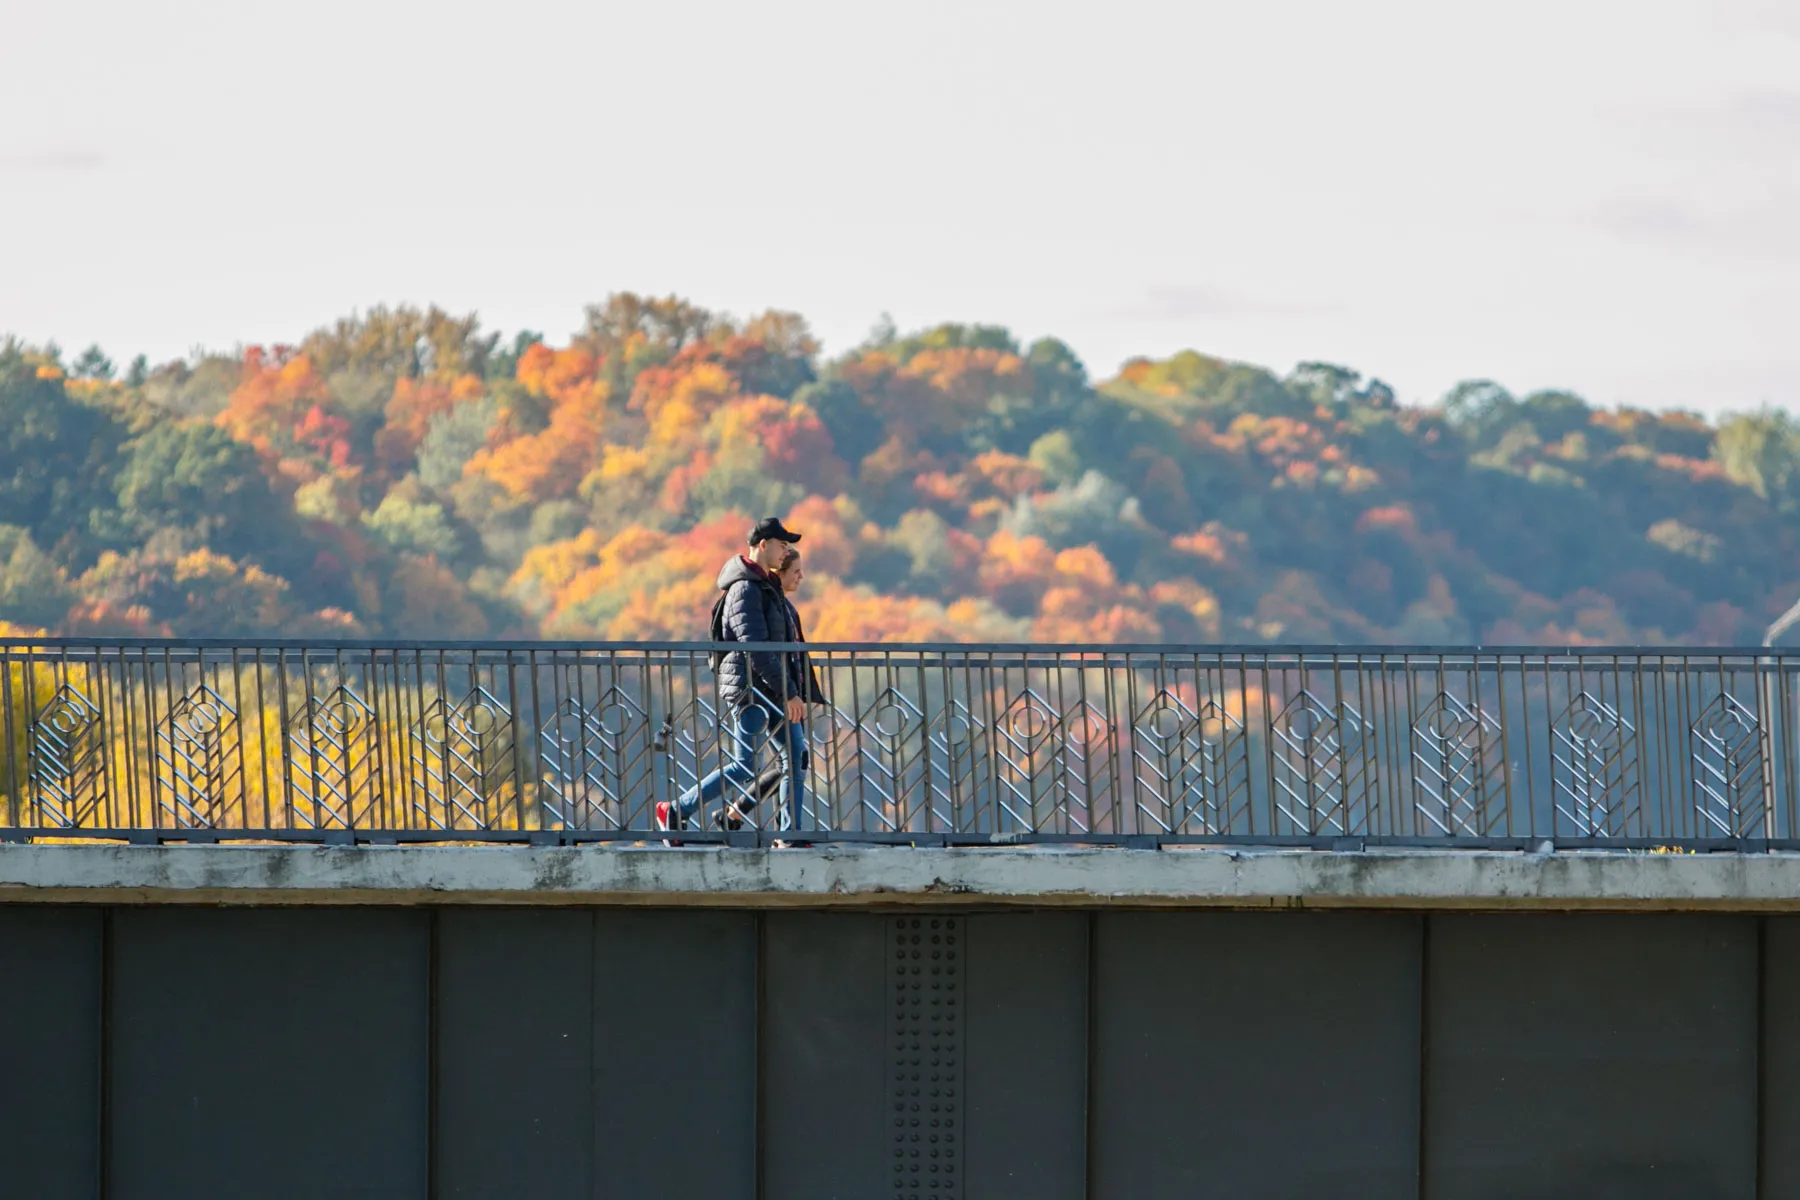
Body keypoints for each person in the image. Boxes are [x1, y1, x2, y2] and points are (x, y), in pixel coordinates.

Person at [657, 517, 810, 839]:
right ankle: (675, 810)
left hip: (773, 688)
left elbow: (782, 646)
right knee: (746, 766)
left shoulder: (764, 586)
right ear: (763, 545)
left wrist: (793, 689)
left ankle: (792, 835)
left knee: (796, 758)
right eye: (782, 545)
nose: (786, 552)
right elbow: (755, 647)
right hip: (752, 690)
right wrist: (791, 692)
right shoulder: (745, 588)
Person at [769, 548, 827, 845]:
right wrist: (791, 693)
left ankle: (787, 830)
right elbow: (775, 655)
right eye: (796, 571)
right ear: (781, 572)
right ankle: (788, 832)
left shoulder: (786, 607)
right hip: (778, 695)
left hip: (787, 694)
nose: (801, 576)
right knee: (794, 758)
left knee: (792, 760)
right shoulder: (776, 606)